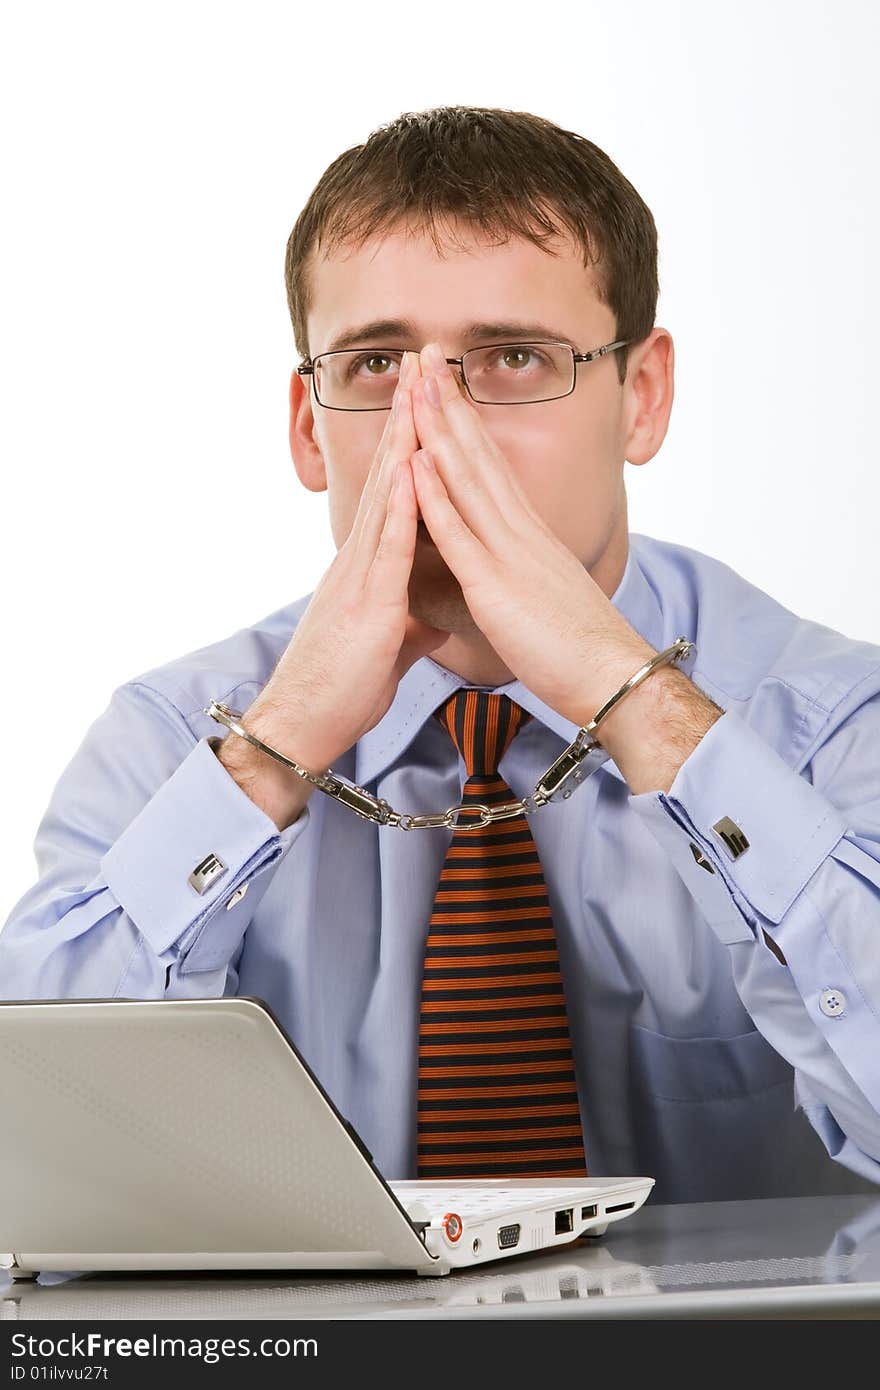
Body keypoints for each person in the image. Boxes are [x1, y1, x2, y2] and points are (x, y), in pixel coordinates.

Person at [2, 105, 879, 1204]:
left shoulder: (833, 720)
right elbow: (44, 1167)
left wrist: (644, 710)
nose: (432, 430)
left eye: (513, 358)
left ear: (640, 399)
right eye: (375, 365)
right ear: (306, 425)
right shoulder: (174, 743)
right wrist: (273, 756)